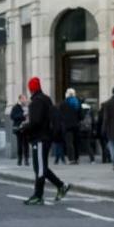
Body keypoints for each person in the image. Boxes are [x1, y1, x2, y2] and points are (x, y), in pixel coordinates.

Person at [23, 76, 70, 206]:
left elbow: (36, 122)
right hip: (46, 137)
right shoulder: (46, 99)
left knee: (39, 168)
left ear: (31, 89)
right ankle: (61, 186)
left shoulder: (36, 102)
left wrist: (24, 127)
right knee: (41, 167)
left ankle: (38, 196)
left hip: (39, 138)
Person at [10, 95, 29, 166]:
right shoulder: (15, 107)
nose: (25, 100)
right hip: (18, 128)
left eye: (25, 98)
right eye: (24, 98)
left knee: (26, 144)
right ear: (20, 99)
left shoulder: (27, 107)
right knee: (19, 144)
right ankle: (19, 160)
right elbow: (12, 116)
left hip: (26, 128)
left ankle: (26, 160)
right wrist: (22, 115)